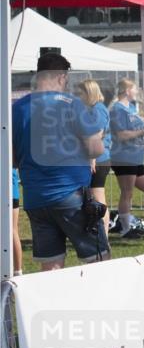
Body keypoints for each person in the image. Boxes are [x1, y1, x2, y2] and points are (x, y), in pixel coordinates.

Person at [11, 52, 108, 270]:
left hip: (36, 198)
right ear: (62, 77)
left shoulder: (16, 109)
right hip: (71, 195)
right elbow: (95, 148)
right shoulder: (73, 104)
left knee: (51, 267)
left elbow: (13, 158)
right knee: (99, 261)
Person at [109, 78, 144, 239]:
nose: (137, 91)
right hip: (124, 156)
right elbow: (121, 135)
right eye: (134, 89)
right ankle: (125, 228)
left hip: (136, 156)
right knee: (127, 193)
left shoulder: (131, 108)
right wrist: (142, 132)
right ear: (126, 91)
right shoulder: (117, 109)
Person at [75, 79, 113, 235]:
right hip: (96, 159)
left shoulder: (97, 110)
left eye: (80, 93)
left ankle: (103, 234)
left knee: (98, 199)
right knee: (94, 198)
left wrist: (92, 158)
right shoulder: (93, 109)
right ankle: (98, 232)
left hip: (99, 159)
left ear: (89, 92)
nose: (78, 96)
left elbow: (97, 135)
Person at [11, 169, 22, 276]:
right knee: (13, 230)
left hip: (10, 191)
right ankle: (18, 272)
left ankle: (18, 271)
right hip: (12, 192)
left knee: (12, 230)